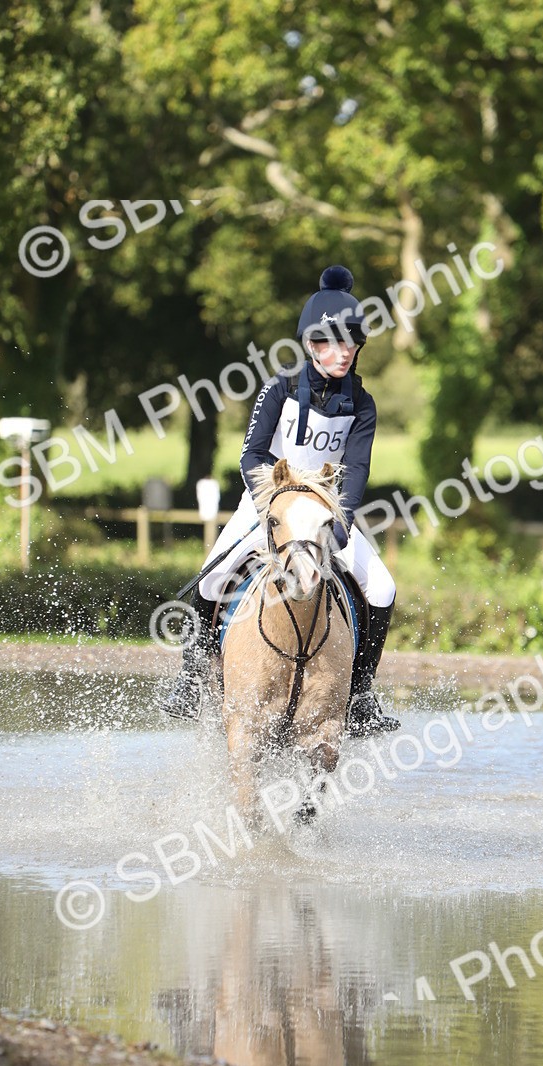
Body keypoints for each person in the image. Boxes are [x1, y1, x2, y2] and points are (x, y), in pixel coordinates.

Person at [160, 265, 399, 738]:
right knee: (211, 582)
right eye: (332, 343)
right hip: (268, 503)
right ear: (312, 346)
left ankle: (361, 696)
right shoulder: (280, 388)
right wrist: (271, 503)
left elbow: (358, 469)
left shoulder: (363, 404)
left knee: (383, 590)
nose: (344, 352)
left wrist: (341, 521)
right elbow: (251, 453)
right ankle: (192, 680)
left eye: (351, 343)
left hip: (328, 513)